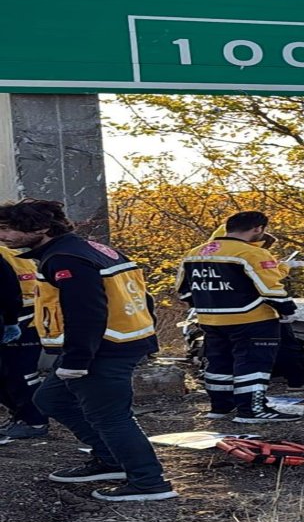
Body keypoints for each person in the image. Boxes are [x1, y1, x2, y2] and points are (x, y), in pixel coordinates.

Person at [0, 199, 176, 501]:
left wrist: (78, 360)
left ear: (40, 228)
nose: (3, 236)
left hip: (102, 349)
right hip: (108, 344)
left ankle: (148, 481)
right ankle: (109, 459)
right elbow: (142, 296)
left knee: (110, 416)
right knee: (50, 398)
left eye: (7, 229)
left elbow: (87, 312)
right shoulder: (85, 249)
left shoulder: (66, 259)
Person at [177, 211, 304, 423]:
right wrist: (287, 310)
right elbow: (270, 289)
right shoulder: (252, 253)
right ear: (258, 229)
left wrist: (208, 305)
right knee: (253, 364)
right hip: (252, 319)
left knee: (219, 363)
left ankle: (221, 406)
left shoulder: (194, 253)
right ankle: (252, 410)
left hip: (210, 320)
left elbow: (184, 290)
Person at [0, 244, 49, 439]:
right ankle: (22, 415)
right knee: (8, 373)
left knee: (19, 373)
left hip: (21, 317)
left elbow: (9, 290)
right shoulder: (7, 251)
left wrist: (11, 321)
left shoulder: (5, 254)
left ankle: (35, 421)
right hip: (20, 314)